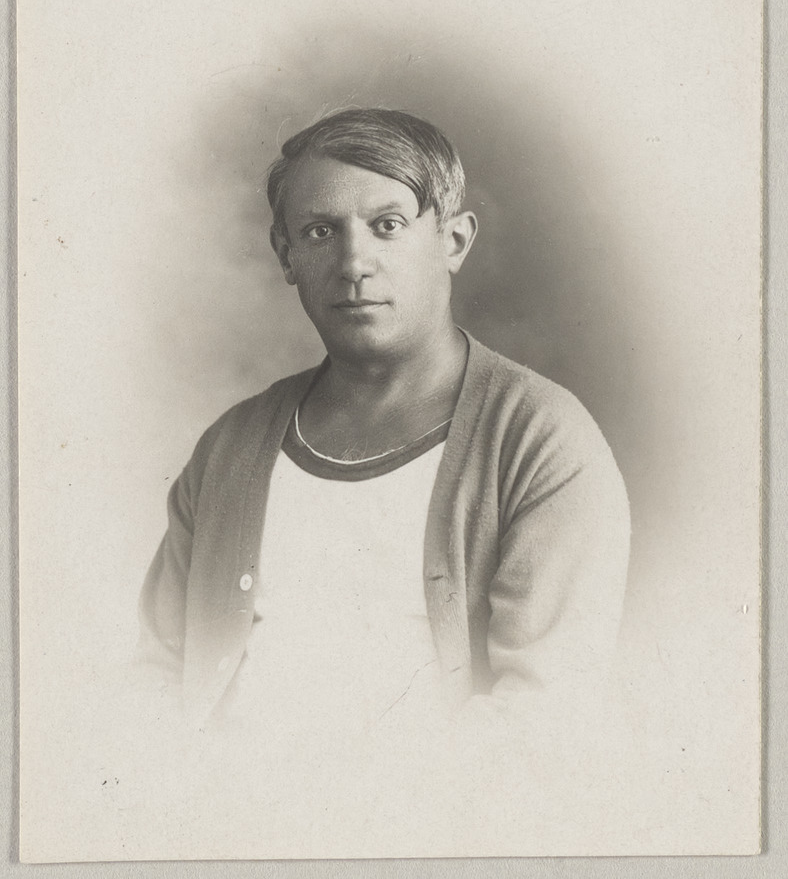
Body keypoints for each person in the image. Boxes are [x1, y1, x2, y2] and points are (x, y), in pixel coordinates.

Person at [136, 108, 630, 761]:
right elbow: (154, 677)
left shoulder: (541, 440)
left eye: (387, 225)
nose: (353, 263)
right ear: (286, 255)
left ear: (453, 241)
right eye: (319, 232)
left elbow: (541, 717)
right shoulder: (231, 446)